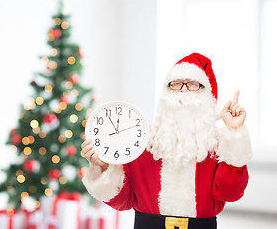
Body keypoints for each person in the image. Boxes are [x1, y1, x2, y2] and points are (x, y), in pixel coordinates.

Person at [81, 53, 252, 229]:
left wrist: (234, 132)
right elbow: (123, 201)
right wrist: (102, 166)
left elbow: (230, 193)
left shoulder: (218, 144)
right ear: (165, 92)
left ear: (207, 95)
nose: (184, 90)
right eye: (176, 84)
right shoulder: (141, 140)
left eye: (194, 84)